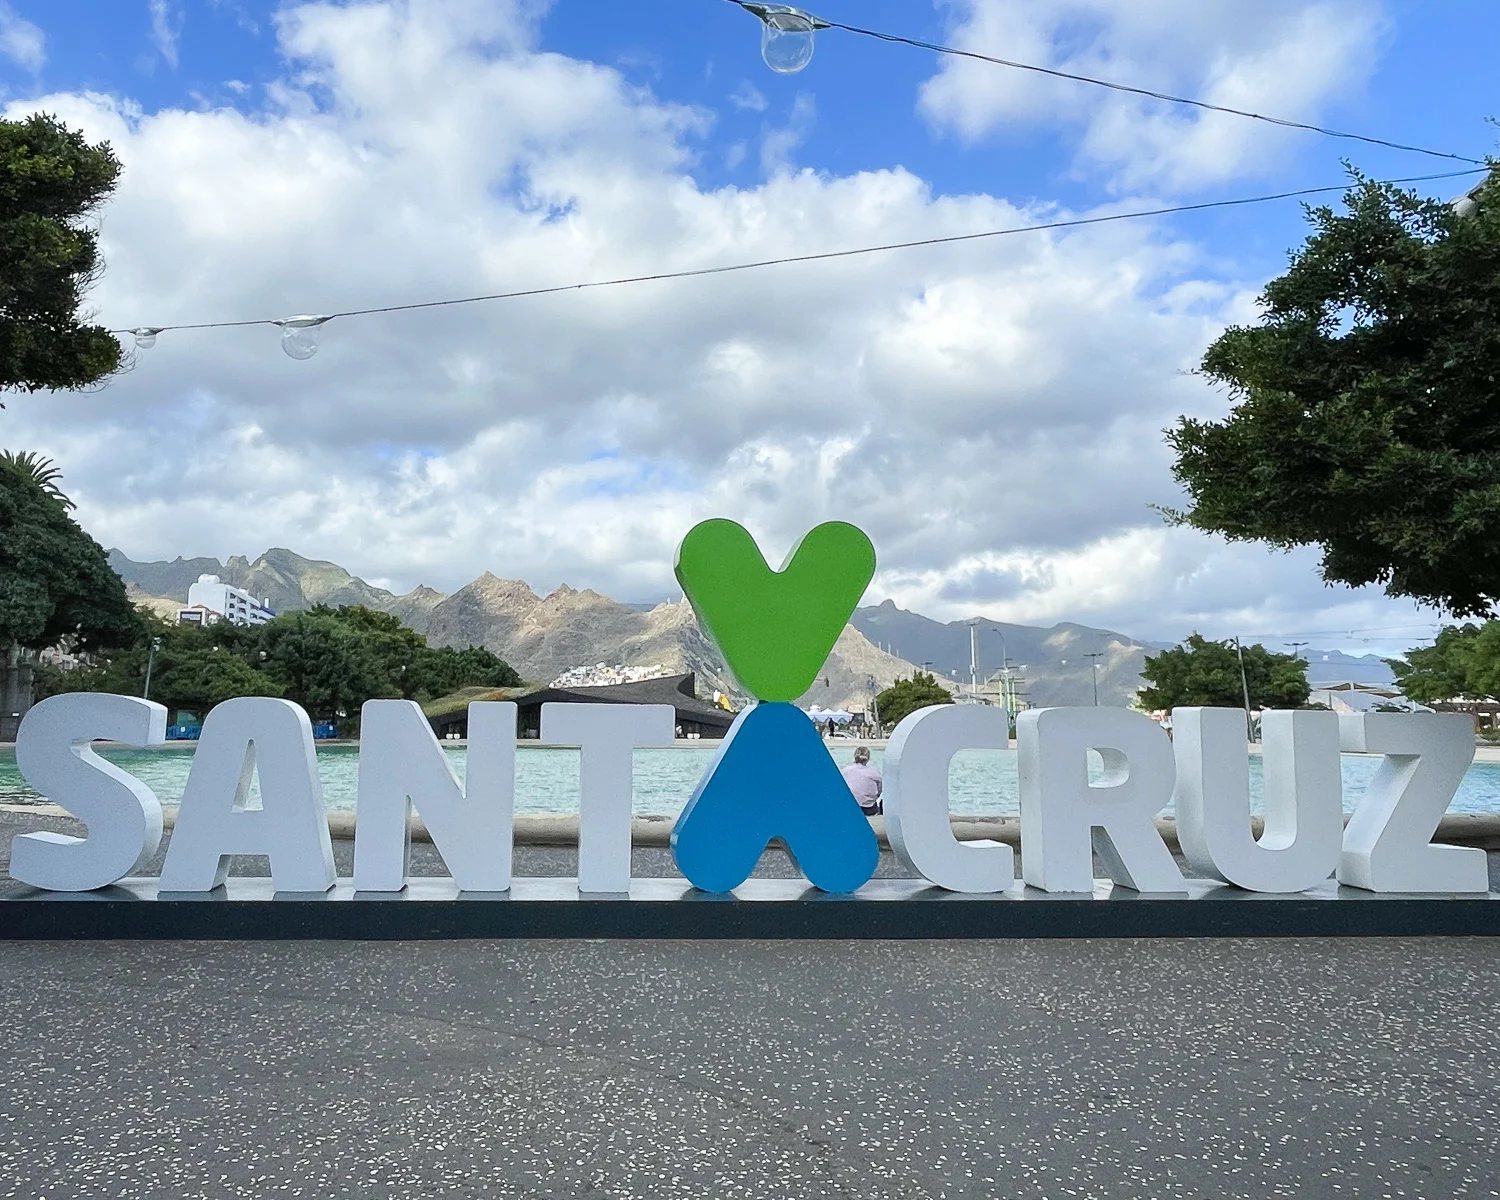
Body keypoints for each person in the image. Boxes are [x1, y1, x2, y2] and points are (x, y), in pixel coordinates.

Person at [841, 746, 883, 816]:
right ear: (868, 758)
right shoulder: (874, 772)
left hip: (851, 805)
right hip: (869, 807)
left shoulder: (846, 771)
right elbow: (880, 789)